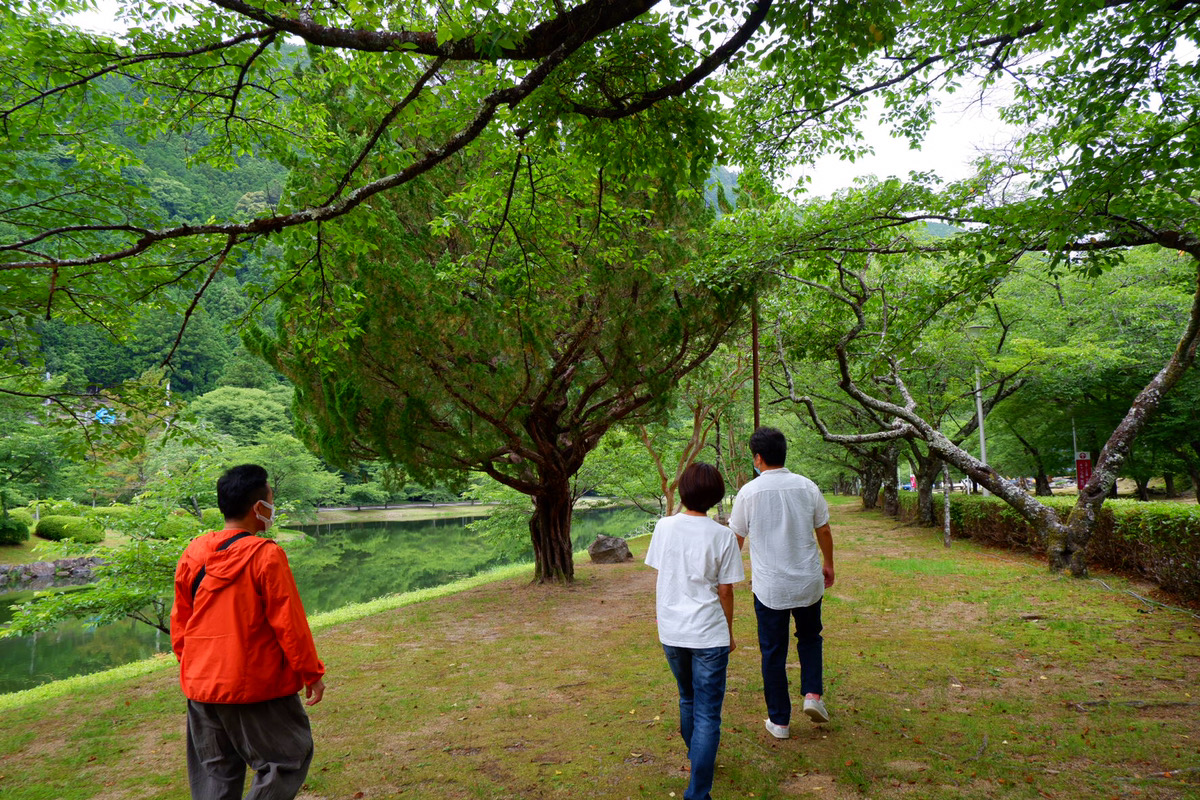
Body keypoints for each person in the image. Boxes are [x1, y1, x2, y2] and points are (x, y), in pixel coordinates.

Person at [171, 464, 326, 800]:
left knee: (215, 774)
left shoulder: (193, 552)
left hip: (201, 687)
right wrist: (311, 673)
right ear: (259, 508)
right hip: (256, 686)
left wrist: (197, 666)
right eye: (271, 500)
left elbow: (180, 624)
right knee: (285, 760)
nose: (273, 507)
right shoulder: (266, 556)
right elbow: (290, 625)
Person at [645, 462, 745, 800]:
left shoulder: (663, 527)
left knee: (687, 698)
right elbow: (726, 590)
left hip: (672, 631)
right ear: (716, 495)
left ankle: (697, 759)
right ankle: (698, 791)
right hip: (708, 634)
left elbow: (663, 574)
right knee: (707, 714)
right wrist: (728, 632)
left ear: (683, 490)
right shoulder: (723, 535)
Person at [728, 427, 835, 739]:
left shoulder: (748, 493)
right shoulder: (807, 486)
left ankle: (780, 722)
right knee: (811, 637)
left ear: (758, 458)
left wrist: (727, 576)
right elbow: (824, 530)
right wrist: (828, 563)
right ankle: (813, 695)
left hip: (770, 587)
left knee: (773, 652)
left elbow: (736, 538)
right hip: (807, 581)